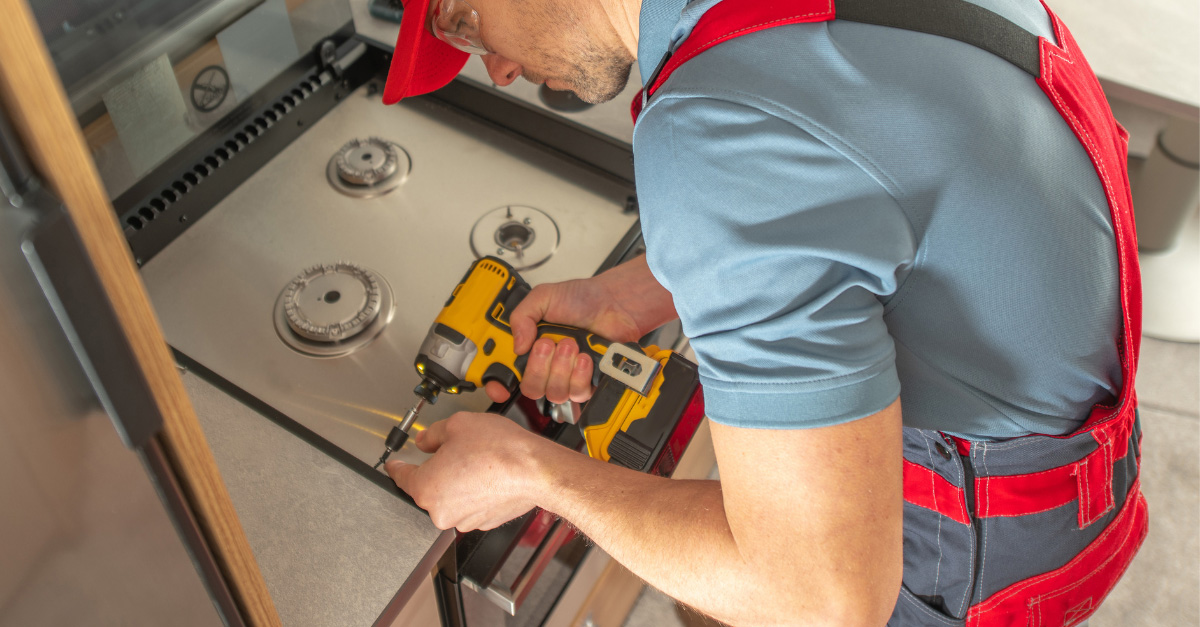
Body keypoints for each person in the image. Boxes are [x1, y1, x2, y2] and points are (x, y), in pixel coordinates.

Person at [379, 0, 1148, 624]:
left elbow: (817, 599)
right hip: (1081, 476)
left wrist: (531, 471)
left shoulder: (712, 123)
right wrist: (631, 292)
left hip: (965, 569)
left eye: (463, 23)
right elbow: (866, 177)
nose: (502, 70)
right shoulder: (769, 39)